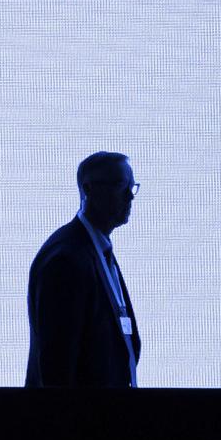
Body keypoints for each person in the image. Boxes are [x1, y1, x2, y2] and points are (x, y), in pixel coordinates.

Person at [26, 152, 141, 387]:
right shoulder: (66, 260)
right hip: (81, 419)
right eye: (121, 185)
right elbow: (58, 366)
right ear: (89, 189)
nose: (130, 196)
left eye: (132, 186)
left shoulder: (96, 249)